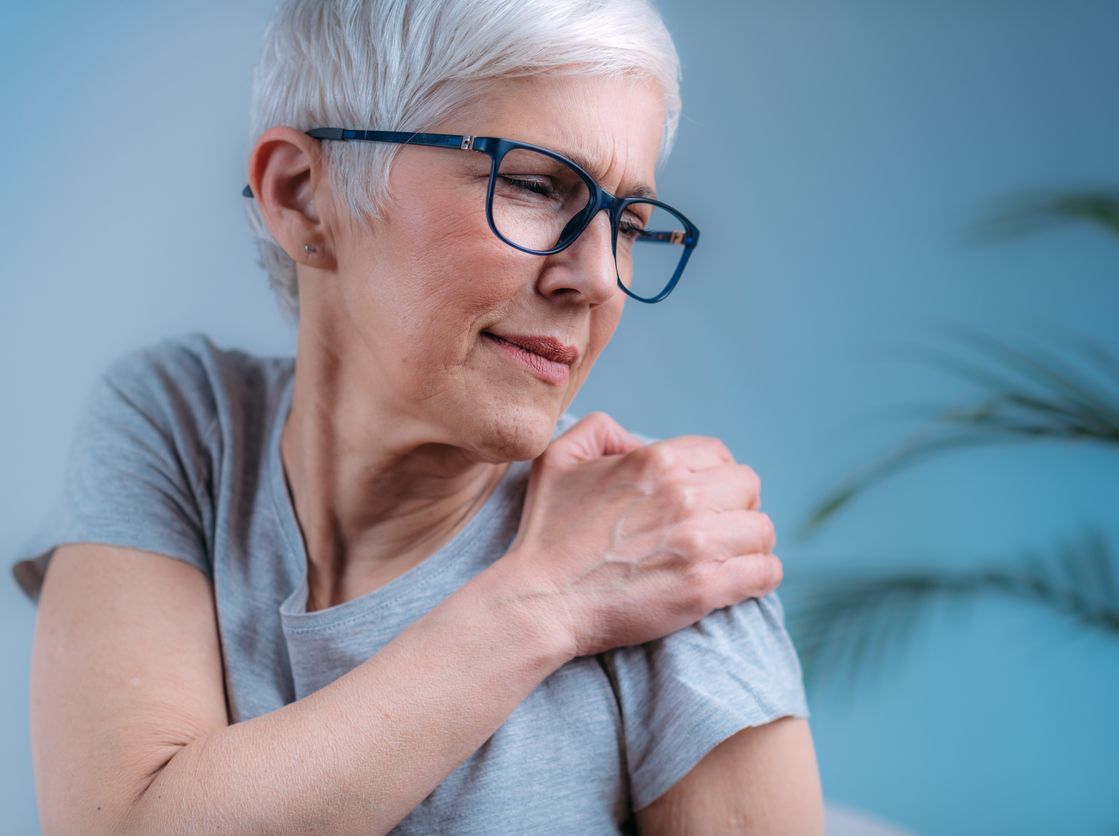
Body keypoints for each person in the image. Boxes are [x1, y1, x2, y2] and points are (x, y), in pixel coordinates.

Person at [11, 0, 824, 832]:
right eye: (538, 185)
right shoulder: (187, 425)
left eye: (631, 224)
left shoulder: (666, 543)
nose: (602, 280)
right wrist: (547, 601)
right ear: (301, 197)